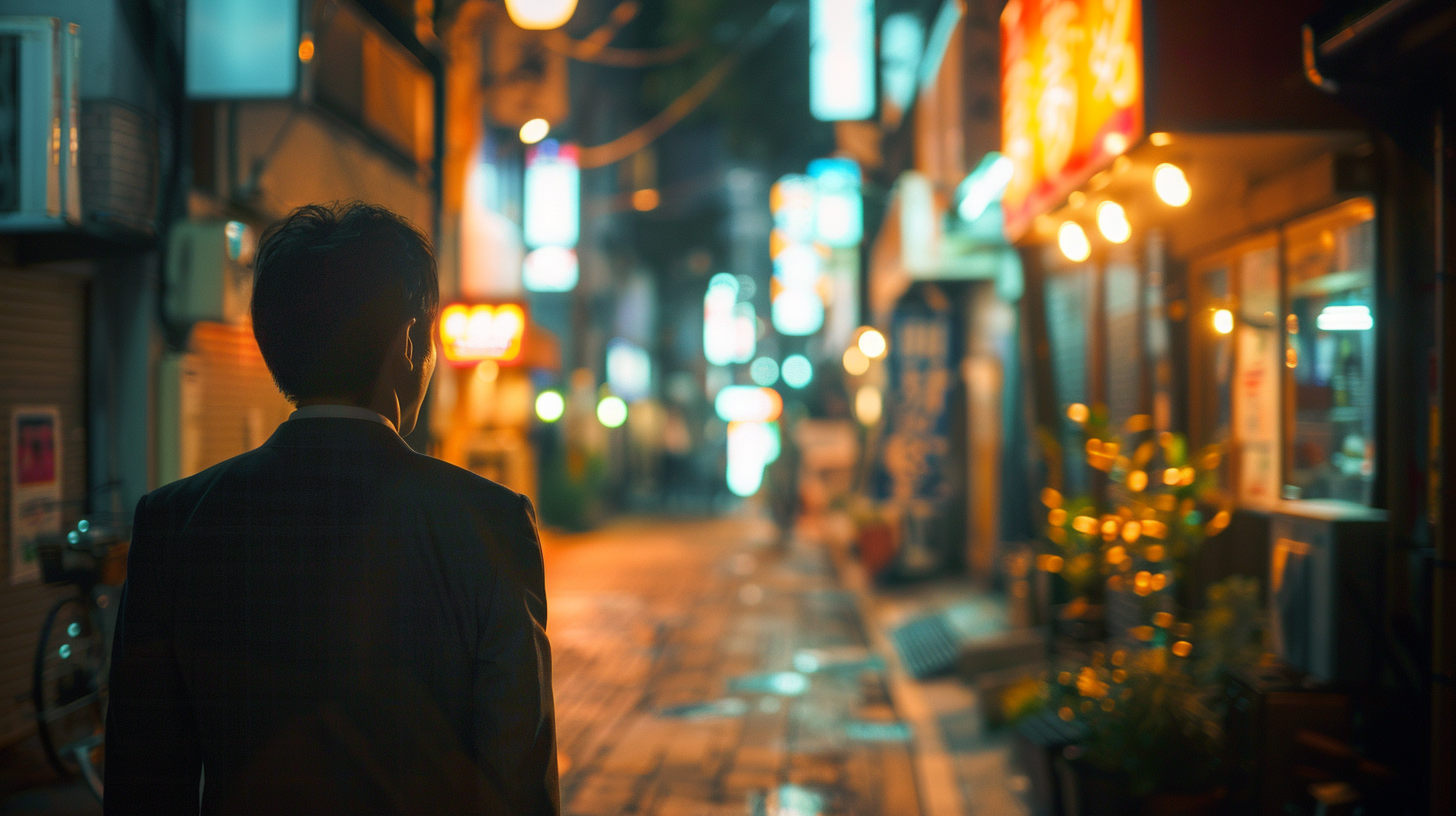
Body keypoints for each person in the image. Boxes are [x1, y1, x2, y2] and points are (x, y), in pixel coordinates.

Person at [104, 203, 559, 815]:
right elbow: (518, 783)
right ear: (409, 342)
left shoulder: (174, 522)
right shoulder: (491, 524)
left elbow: (143, 784)